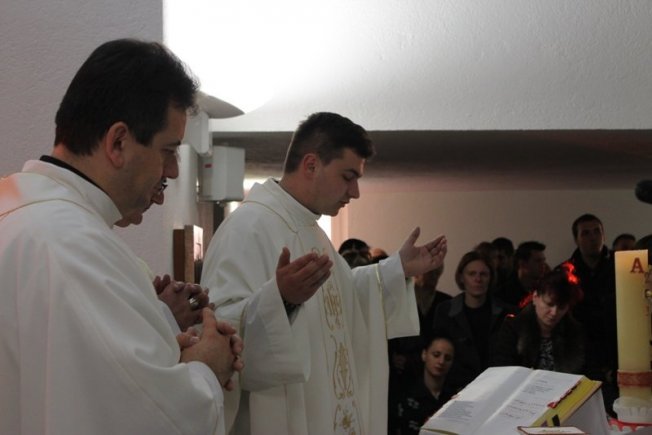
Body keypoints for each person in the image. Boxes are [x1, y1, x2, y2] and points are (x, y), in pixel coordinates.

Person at [0, 39, 242, 435]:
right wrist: (206, 368)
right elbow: (149, 416)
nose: (173, 171)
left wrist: (162, 326)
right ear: (118, 143)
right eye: (168, 151)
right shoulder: (73, 246)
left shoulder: (22, 213)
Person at [201, 112, 448, 435]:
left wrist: (396, 269)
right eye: (348, 176)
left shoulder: (312, 231)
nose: (355, 192)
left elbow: (344, 299)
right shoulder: (248, 228)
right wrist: (282, 300)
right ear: (311, 165)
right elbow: (217, 329)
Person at [432, 251, 515, 393]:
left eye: (483, 274)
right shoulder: (445, 311)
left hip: (498, 387)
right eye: (472, 274)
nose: (478, 279)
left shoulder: (506, 313)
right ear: (461, 277)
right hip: (457, 388)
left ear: (490, 277)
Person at [564, 213, 617, 416]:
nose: (593, 237)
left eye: (597, 232)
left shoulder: (620, 267)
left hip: (616, 349)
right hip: (582, 352)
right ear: (576, 239)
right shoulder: (566, 273)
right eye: (586, 233)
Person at [491, 263, 585, 374]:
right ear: (535, 297)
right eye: (549, 304)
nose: (554, 312)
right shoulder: (513, 328)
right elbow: (503, 369)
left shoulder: (575, 331)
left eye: (561, 307)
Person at [394, 334, 456, 435]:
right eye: (436, 355)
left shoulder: (455, 397)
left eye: (447, 358)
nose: (441, 361)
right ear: (424, 355)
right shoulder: (407, 395)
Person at [495, 241, 547, 308]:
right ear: (522, 264)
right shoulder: (504, 294)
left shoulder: (545, 290)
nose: (543, 265)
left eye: (543, 261)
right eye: (538, 261)